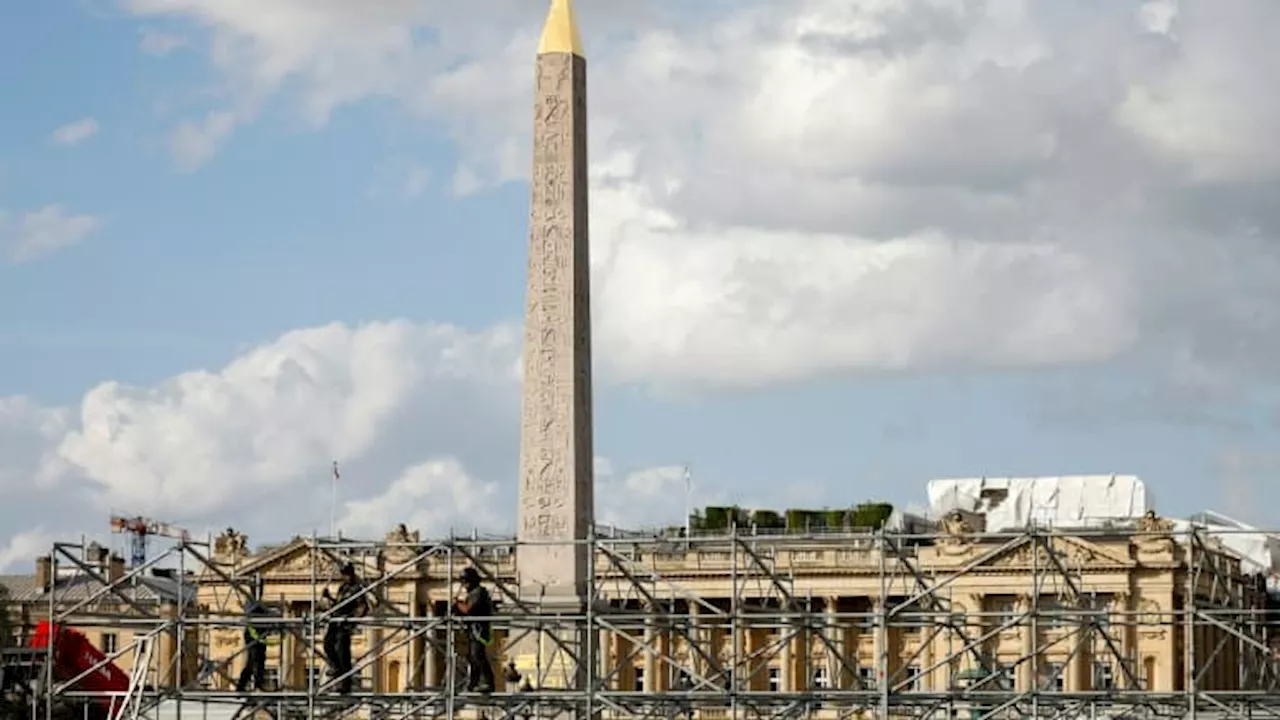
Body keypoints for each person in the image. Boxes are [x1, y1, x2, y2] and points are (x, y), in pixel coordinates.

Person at [322, 562, 368, 693]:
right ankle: (336, 669)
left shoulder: (357, 589)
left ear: (352, 574)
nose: (345, 577)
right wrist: (329, 597)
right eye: (343, 574)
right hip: (335, 620)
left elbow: (363, 607)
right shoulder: (342, 588)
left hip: (345, 623)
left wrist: (354, 618)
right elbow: (339, 604)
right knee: (327, 644)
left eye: (347, 574)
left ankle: (345, 684)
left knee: (342, 650)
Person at [452, 567, 495, 692]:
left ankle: (488, 682)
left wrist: (457, 604)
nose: (464, 585)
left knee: (478, 655)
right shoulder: (471, 594)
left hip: (480, 630)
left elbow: (468, 609)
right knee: (472, 657)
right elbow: (465, 612)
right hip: (473, 630)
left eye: (465, 582)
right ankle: (473, 683)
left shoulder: (479, 592)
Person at [235, 599, 270, 692]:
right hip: (253, 636)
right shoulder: (255, 610)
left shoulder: (259, 610)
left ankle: (254, 684)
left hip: (260, 637)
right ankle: (253, 684)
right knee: (254, 660)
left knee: (258, 661)